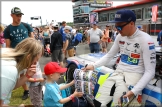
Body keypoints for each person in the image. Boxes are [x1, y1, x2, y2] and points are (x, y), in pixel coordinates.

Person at [83, 9, 156, 107]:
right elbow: (109, 55)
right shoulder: (120, 37)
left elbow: (150, 71)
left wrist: (134, 91)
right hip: (117, 73)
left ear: (131, 23)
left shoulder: (146, 40)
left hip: (133, 76)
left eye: (120, 26)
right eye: (116, 26)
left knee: (117, 105)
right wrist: (93, 66)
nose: (117, 29)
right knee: (98, 102)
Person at [0, 38, 44, 107]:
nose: (36, 62)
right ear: (28, 57)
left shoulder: (11, 58)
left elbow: (9, 86)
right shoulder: (10, 70)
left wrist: (27, 75)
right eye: (37, 59)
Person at [3, 7, 34, 100]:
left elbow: (32, 40)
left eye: (20, 15)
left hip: (28, 54)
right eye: (17, 15)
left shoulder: (26, 25)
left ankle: (35, 89)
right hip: (17, 56)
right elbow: (8, 46)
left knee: (33, 72)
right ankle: (26, 90)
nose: (19, 17)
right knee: (20, 75)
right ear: (11, 15)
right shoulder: (7, 29)